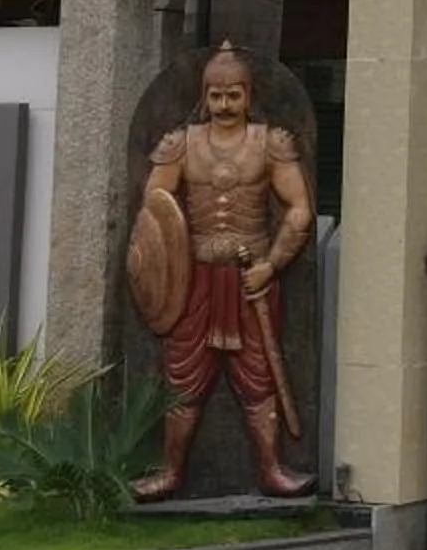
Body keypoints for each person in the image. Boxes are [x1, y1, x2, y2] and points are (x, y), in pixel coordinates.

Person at [125, 44, 315, 499]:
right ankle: (172, 472)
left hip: (252, 281)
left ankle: (271, 470)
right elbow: (153, 213)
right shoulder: (179, 145)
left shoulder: (271, 144)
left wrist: (271, 266)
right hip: (193, 283)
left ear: (249, 95)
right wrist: (166, 277)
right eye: (216, 96)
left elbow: (299, 211)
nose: (225, 105)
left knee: (257, 376)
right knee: (184, 376)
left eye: (234, 95)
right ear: (204, 96)